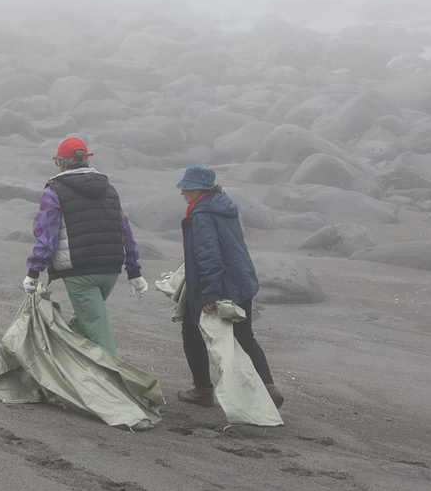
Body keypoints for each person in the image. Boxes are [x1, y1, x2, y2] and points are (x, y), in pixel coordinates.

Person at [23, 137, 148, 355]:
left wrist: (33, 272)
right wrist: (134, 270)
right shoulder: (109, 189)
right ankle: (60, 361)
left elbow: (47, 234)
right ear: (86, 161)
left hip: (80, 272)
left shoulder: (55, 190)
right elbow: (125, 230)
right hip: (110, 267)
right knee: (84, 323)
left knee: (99, 333)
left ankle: (116, 382)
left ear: (61, 163)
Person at [175, 165, 284, 408]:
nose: (182, 192)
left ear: (200, 190)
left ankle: (202, 390)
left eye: (187, 188)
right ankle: (269, 388)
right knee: (244, 336)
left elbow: (209, 256)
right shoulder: (223, 206)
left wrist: (210, 294)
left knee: (191, 332)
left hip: (222, 284)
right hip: (241, 282)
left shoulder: (202, 214)